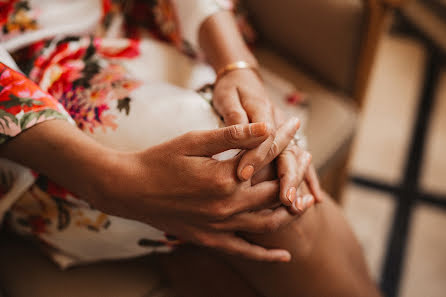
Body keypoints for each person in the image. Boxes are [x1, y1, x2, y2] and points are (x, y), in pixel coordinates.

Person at [0, 0, 382, 296]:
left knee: (257, 152)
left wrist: (235, 65)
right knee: (247, 169)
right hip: (28, 100)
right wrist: (110, 181)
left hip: (137, 23)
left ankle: (185, 253)